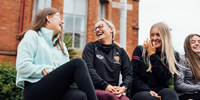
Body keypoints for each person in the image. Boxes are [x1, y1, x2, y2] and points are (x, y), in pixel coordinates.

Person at [15, 7, 98, 100]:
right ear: (48, 18)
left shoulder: (61, 46)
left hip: (56, 89)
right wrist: (45, 70)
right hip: (34, 89)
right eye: (59, 17)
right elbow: (22, 66)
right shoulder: (32, 35)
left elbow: (65, 74)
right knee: (78, 63)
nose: (62, 22)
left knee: (80, 96)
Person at [82, 18, 132, 100]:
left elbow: (128, 74)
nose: (97, 30)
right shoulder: (91, 47)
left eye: (100, 26)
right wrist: (105, 86)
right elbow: (89, 70)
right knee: (111, 97)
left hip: (113, 91)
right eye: (95, 29)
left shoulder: (120, 51)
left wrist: (123, 87)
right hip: (95, 89)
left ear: (111, 29)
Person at [130, 22, 180, 100]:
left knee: (171, 94)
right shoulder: (139, 50)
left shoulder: (173, 55)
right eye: (152, 35)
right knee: (153, 99)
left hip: (161, 90)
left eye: (158, 35)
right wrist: (148, 90)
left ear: (165, 37)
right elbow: (133, 76)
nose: (154, 38)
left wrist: (152, 55)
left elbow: (164, 77)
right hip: (141, 91)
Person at [174, 34, 200, 100]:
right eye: (193, 42)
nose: (197, 44)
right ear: (188, 45)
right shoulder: (183, 60)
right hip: (186, 95)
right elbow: (178, 85)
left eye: (199, 42)